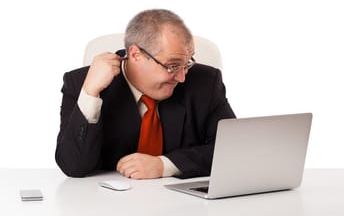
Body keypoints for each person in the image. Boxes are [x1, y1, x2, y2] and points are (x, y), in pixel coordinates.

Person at [55, 9, 236, 179]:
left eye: (187, 63)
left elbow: (232, 149)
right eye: (172, 66)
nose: (182, 77)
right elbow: (74, 166)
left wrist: (163, 165)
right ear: (135, 55)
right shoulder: (81, 83)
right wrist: (91, 92)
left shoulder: (206, 82)